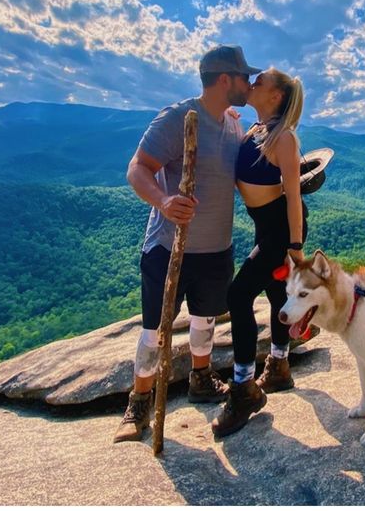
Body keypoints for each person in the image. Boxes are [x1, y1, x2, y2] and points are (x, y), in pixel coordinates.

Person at [113, 45, 259, 444]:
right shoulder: (177, 118)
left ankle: (200, 378)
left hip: (216, 248)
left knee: (205, 319)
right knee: (153, 332)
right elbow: (137, 169)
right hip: (168, 246)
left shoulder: (232, 123)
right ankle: (139, 401)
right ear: (225, 79)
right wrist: (162, 200)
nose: (248, 84)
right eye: (244, 77)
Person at [211, 68, 307, 437]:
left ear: (276, 96)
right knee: (273, 292)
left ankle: (243, 388)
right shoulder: (255, 131)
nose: (252, 83)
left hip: (281, 231)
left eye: (260, 81)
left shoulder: (284, 139)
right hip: (265, 227)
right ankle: (279, 368)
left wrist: (295, 248)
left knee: (238, 296)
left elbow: (294, 199)